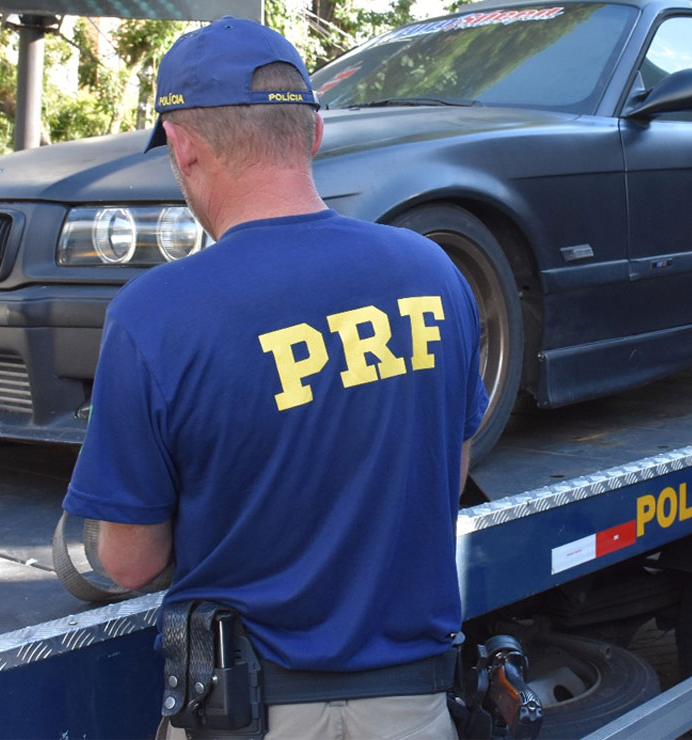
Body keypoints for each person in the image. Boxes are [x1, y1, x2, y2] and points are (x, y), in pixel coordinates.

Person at [62, 16, 487, 740]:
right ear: (313, 136)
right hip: (415, 708)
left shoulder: (154, 315)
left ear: (184, 146)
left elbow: (129, 565)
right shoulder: (433, 273)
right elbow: (447, 474)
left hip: (248, 714)